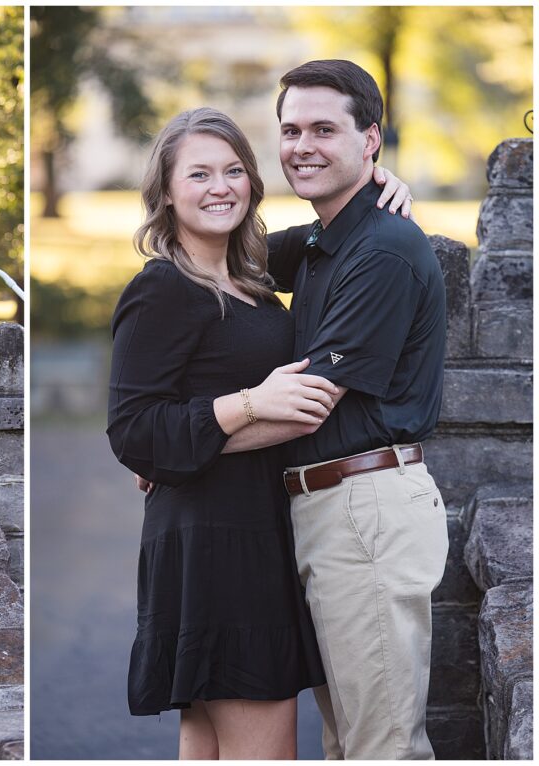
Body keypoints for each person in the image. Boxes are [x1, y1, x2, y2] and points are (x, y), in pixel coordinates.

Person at [108, 107, 413, 759]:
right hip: (215, 544)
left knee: (211, 745)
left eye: (233, 171)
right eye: (199, 174)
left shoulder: (247, 271)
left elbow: (334, 232)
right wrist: (248, 405)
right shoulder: (164, 286)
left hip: (249, 526)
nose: (220, 187)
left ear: (252, 181)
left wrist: (376, 184)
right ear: (166, 190)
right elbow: (133, 430)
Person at [262, 60, 447, 759]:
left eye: (323, 130)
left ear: (370, 140)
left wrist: (183, 445)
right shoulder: (321, 240)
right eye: (290, 130)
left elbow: (309, 404)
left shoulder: (383, 249)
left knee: (382, 745)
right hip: (330, 511)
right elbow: (205, 250)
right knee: (349, 742)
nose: (301, 146)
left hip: (365, 510)